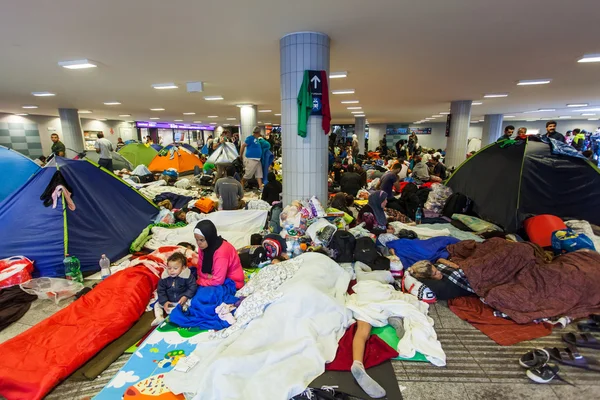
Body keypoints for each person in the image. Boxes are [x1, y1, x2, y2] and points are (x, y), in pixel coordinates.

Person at [194, 220, 245, 289]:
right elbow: (199, 269)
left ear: (209, 237)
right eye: (196, 240)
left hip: (232, 282)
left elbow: (218, 281)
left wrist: (200, 281)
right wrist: (208, 276)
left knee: (205, 295)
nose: (198, 243)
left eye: (201, 240)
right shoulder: (203, 247)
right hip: (216, 277)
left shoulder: (221, 253)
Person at [152, 252, 198, 326]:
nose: (172, 270)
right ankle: (159, 317)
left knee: (191, 303)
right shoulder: (165, 278)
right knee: (157, 304)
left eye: (175, 268)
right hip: (169, 301)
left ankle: (179, 313)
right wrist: (164, 302)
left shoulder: (187, 276)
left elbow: (193, 286)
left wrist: (186, 296)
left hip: (182, 301)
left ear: (183, 268)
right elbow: (161, 290)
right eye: (169, 268)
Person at [407, 258, 475, 301]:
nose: (439, 272)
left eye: (436, 269)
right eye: (435, 274)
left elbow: (439, 260)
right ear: (429, 278)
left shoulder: (433, 268)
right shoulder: (443, 287)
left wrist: (448, 262)